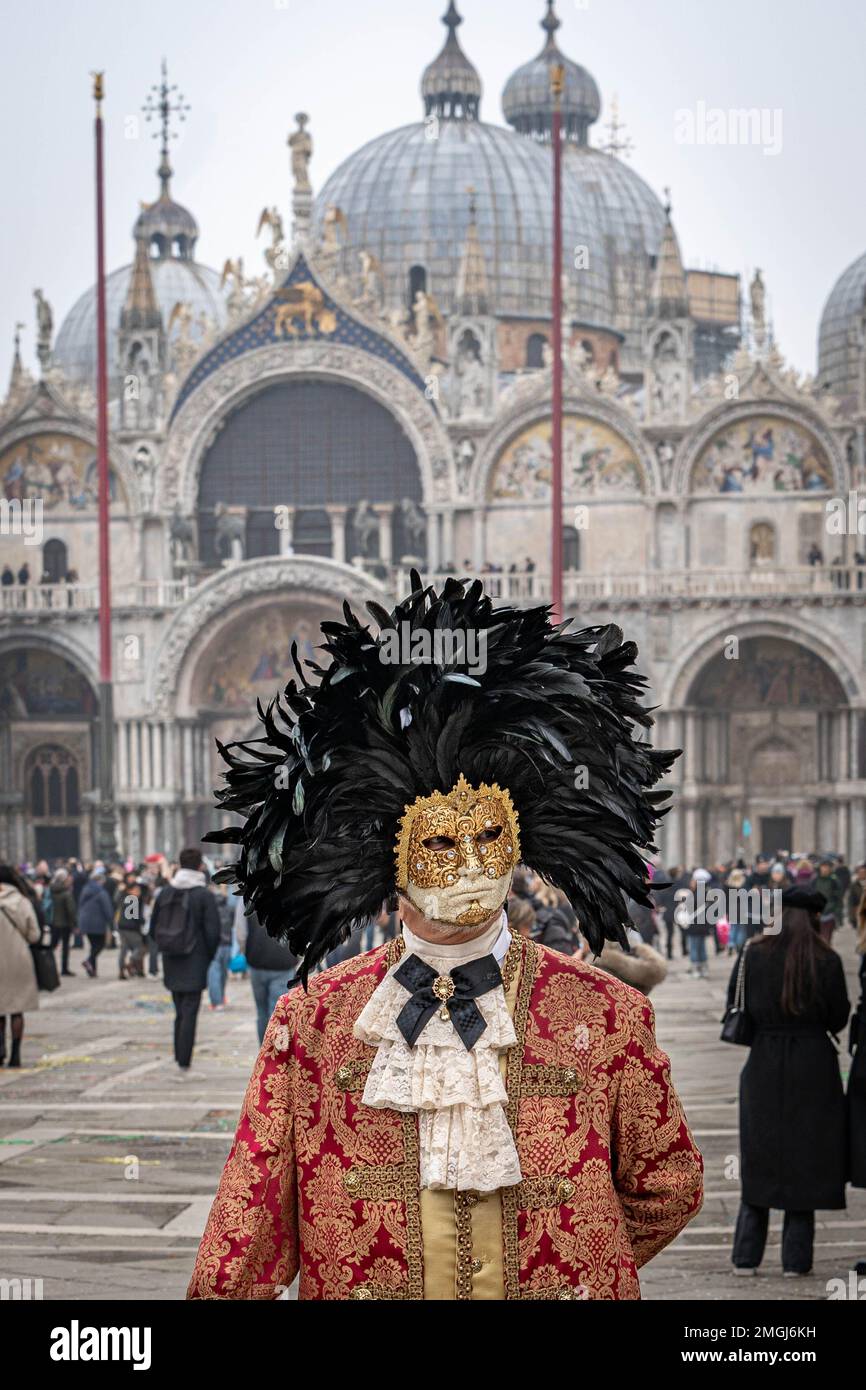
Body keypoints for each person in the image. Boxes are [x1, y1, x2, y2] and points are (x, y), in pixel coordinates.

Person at [188, 575, 702, 1300]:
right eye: (440, 846)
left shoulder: (607, 1015)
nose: (471, 866)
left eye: (490, 838)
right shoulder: (313, 1025)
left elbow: (669, 1184)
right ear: (386, 863)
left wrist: (581, 1267)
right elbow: (246, 1238)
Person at [728, 887, 850, 1277]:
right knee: (807, 1159)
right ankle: (796, 1261)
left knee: (759, 1154)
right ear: (816, 918)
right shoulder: (827, 959)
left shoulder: (753, 953)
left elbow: (737, 1004)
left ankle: (746, 1257)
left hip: (763, 1062)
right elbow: (837, 1017)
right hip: (815, 1067)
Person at [150, 848, 220, 1075]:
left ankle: (179, 1054)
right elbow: (213, 933)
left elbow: (152, 929)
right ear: (200, 866)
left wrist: (166, 947)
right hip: (195, 958)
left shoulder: (165, 893)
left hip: (171, 958)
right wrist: (207, 956)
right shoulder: (204, 895)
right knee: (190, 1010)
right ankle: (184, 1060)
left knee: (179, 1009)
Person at [234, 903, 297, 1043]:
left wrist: (246, 952)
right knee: (278, 1013)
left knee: (262, 1012)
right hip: (283, 960)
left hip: (257, 960)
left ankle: (263, 1052)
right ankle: (275, 1056)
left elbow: (241, 932)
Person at [0, 865, 41, 1067]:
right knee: (17, 1009)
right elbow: (34, 935)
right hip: (17, 959)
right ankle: (15, 1054)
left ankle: (0, 1049)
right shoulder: (21, 901)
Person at [78, 868, 114, 977]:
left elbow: (80, 905)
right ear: (100, 881)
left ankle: (92, 971)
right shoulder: (102, 892)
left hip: (85, 922)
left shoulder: (85, 890)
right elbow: (107, 909)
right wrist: (111, 922)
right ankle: (88, 961)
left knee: (93, 945)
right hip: (98, 923)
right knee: (100, 945)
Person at [207, 883, 235, 1009]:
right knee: (223, 974)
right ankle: (221, 997)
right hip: (227, 943)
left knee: (214, 974)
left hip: (214, 944)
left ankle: (216, 1002)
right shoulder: (228, 906)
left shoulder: (209, 907)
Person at [50, 867, 78, 976]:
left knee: (52, 946)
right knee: (65, 947)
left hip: (54, 921)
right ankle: (64, 968)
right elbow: (71, 910)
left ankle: (48, 966)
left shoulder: (52, 889)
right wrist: (75, 922)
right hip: (65, 923)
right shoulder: (66, 892)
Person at [814, 855, 844, 944]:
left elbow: (838, 899)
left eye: (827, 867)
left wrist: (838, 915)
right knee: (817, 940)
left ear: (830, 868)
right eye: (823, 867)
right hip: (817, 914)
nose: (825, 869)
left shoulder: (834, 881)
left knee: (826, 940)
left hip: (829, 914)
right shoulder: (815, 880)